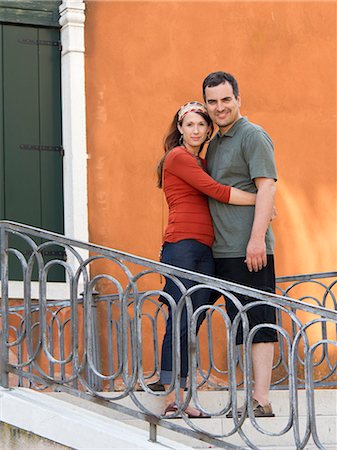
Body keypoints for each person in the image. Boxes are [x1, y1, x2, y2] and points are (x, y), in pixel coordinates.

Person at [155, 101, 257, 418]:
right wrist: (261, 199)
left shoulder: (200, 161)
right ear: (180, 129)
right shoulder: (178, 157)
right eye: (190, 125)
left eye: (202, 125)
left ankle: (182, 394)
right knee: (180, 318)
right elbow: (216, 190)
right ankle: (174, 397)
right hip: (182, 246)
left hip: (204, 249)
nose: (196, 130)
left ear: (207, 129)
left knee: (193, 320)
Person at [202, 71, 277, 418]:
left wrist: (257, 239)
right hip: (221, 250)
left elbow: (266, 187)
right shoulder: (214, 142)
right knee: (238, 323)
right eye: (212, 101)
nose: (219, 107)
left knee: (259, 322)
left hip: (250, 249)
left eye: (225, 100)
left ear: (238, 99)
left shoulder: (252, 135)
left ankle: (261, 400)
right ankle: (245, 396)